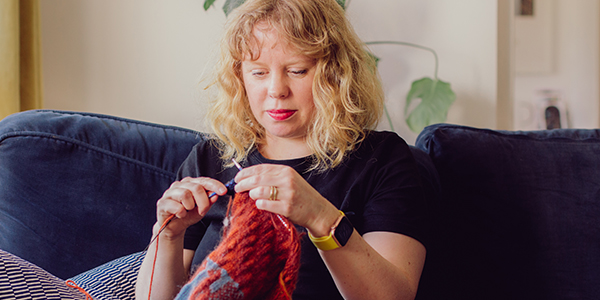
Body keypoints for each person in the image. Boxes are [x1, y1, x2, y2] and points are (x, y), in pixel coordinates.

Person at [135, 0, 428, 299]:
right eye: (258, 73)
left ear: (335, 74)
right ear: (239, 78)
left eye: (298, 70)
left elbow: (393, 296)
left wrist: (320, 217)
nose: (276, 89)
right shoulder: (209, 157)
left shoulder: (381, 159)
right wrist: (167, 235)